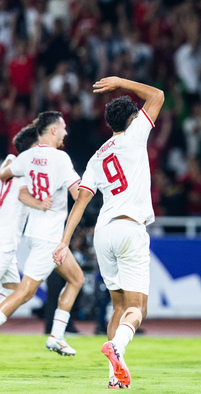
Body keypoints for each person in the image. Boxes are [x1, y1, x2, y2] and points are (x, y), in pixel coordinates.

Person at [53, 77, 164, 389]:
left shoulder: (97, 156)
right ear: (132, 119)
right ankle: (118, 347)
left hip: (103, 232)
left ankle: (113, 377)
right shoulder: (135, 135)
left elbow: (80, 201)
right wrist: (120, 82)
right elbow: (157, 95)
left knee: (116, 307)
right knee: (137, 309)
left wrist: (64, 241)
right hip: (131, 229)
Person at [0, 112, 84, 357]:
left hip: (36, 234)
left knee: (77, 279)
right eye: (64, 127)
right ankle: (56, 335)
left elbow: (6, 175)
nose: (66, 132)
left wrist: (36, 199)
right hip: (49, 237)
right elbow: (79, 193)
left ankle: (57, 336)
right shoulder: (60, 159)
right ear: (53, 130)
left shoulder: (26, 157)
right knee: (24, 292)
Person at [0, 125, 41, 305]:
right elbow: (24, 196)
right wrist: (43, 204)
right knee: (18, 294)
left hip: (8, 241)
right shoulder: (26, 172)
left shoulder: (10, 162)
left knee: (16, 293)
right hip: (4, 241)